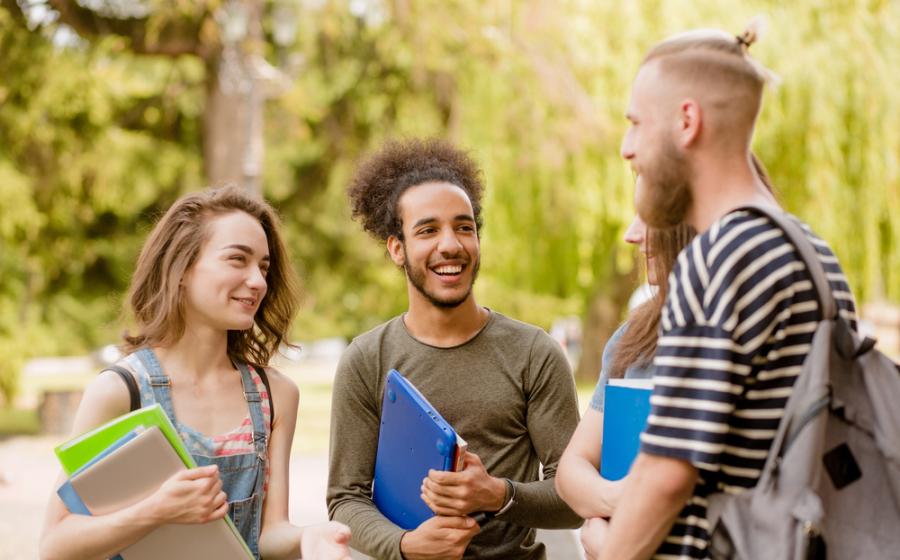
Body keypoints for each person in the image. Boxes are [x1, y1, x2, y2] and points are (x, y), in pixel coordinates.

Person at [584, 24, 858, 560]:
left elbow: (668, 473)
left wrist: (610, 550)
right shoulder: (811, 250)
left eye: (636, 124)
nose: (626, 148)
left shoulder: (717, 258)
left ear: (687, 122)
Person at [40, 186, 352, 560]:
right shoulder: (121, 391)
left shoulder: (276, 395)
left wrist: (308, 537)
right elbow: (55, 544)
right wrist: (156, 511)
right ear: (182, 269)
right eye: (238, 259)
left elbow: (269, 535)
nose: (257, 281)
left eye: (263, 267)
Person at [327, 138, 582, 560]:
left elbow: (575, 498)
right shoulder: (365, 360)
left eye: (464, 227)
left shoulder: (534, 353)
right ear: (396, 248)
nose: (451, 245)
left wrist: (498, 494)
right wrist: (406, 546)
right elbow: (345, 499)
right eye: (428, 230)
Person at [555, 176, 695, 524]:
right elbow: (570, 471)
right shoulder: (632, 338)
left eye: (647, 215)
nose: (631, 235)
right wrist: (615, 503)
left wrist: (612, 539)